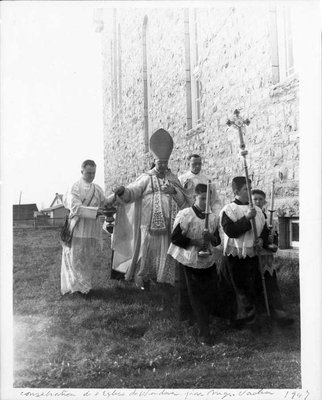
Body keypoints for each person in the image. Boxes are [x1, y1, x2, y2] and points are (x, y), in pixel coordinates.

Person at [111, 128, 192, 289]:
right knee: (146, 250)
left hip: (169, 225)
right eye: (160, 162)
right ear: (154, 161)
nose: (163, 165)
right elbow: (133, 191)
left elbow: (184, 202)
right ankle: (143, 279)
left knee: (166, 251)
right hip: (148, 224)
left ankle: (164, 279)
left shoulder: (173, 178)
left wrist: (174, 191)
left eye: (165, 162)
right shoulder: (146, 178)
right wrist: (123, 192)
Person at [168, 183, 221, 345]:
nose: (205, 202)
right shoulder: (186, 215)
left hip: (206, 260)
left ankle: (203, 320)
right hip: (189, 258)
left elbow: (217, 240)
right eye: (202, 198)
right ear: (194, 197)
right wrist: (196, 241)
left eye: (208, 198)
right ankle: (203, 331)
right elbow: (175, 238)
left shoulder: (213, 217)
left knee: (210, 291)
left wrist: (211, 238)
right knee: (193, 293)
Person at [218, 176, 269, 328]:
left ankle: (254, 320)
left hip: (252, 255)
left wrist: (261, 240)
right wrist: (246, 218)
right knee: (237, 289)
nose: (249, 192)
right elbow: (231, 231)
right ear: (236, 191)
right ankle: (237, 321)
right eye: (246, 189)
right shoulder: (228, 210)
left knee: (253, 287)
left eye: (250, 189)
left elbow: (264, 230)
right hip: (235, 257)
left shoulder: (258, 210)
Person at [60, 160, 110, 296]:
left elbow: (105, 202)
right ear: (82, 171)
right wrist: (96, 212)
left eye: (93, 173)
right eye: (88, 173)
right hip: (77, 227)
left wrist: (117, 196)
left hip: (91, 229)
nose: (91, 175)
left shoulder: (97, 188)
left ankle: (86, 287)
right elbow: (75, 208)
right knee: (76, 258)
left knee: (88, 258)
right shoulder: (74, 187)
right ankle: (76, 288)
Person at [251, 189, 294, 326]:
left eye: (260, 199)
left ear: (264, 201)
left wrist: (273, 244)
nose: (258, 202)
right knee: (257, 285)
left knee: (271, 283)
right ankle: (261, 314)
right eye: (255, 199)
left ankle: (277, 313)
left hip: (267, 257)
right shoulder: (249, 217)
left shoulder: (267, 217)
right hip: (254, 256)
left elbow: (274, 238)